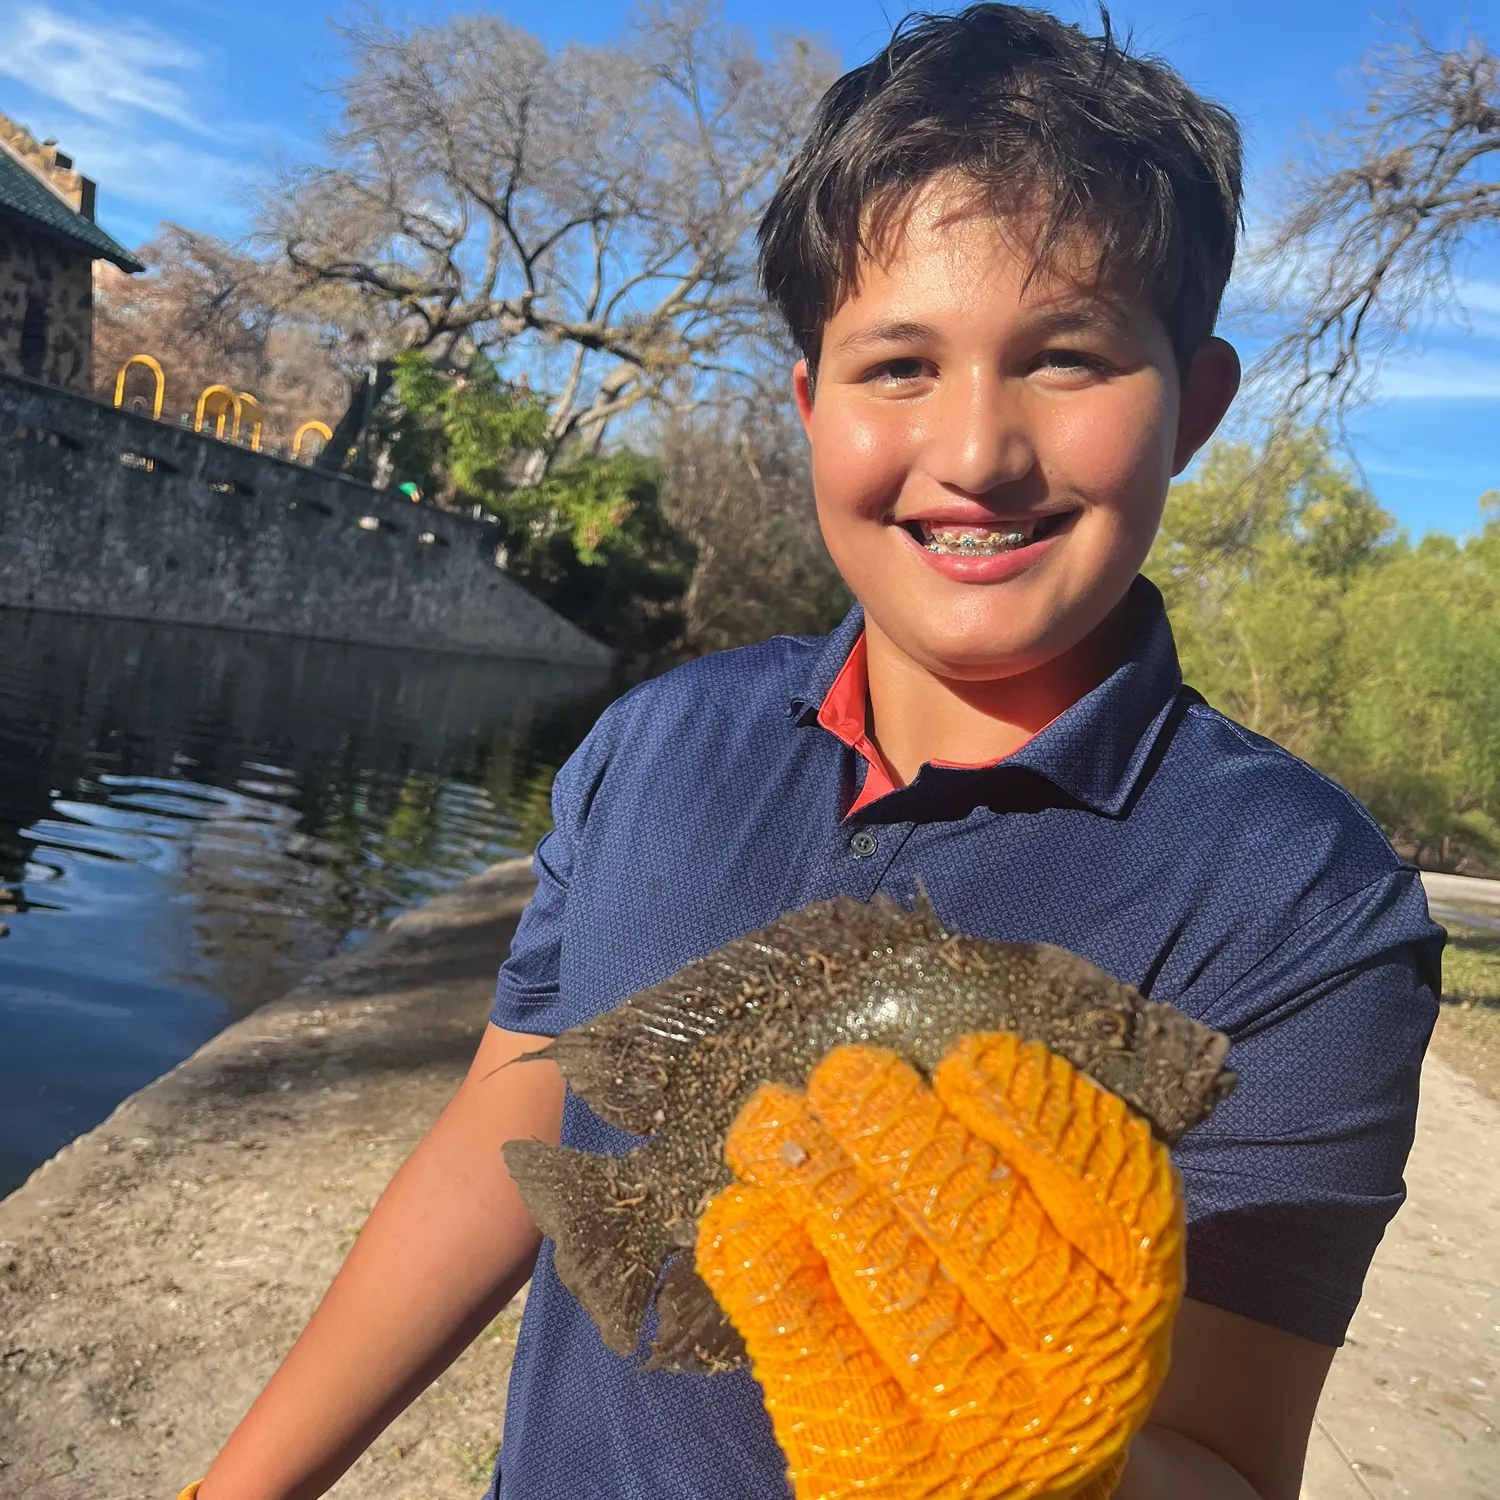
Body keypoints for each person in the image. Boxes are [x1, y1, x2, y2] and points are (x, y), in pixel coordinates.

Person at [187, 7, 1442, 1499]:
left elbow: (1233, 1459)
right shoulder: (653, 744)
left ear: (1197, 407)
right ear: (809, 407)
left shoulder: (1307, 908)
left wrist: (1057, 1466)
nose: (977, 449)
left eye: (1066, 358)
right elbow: (512, 1127)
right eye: (898, 364)